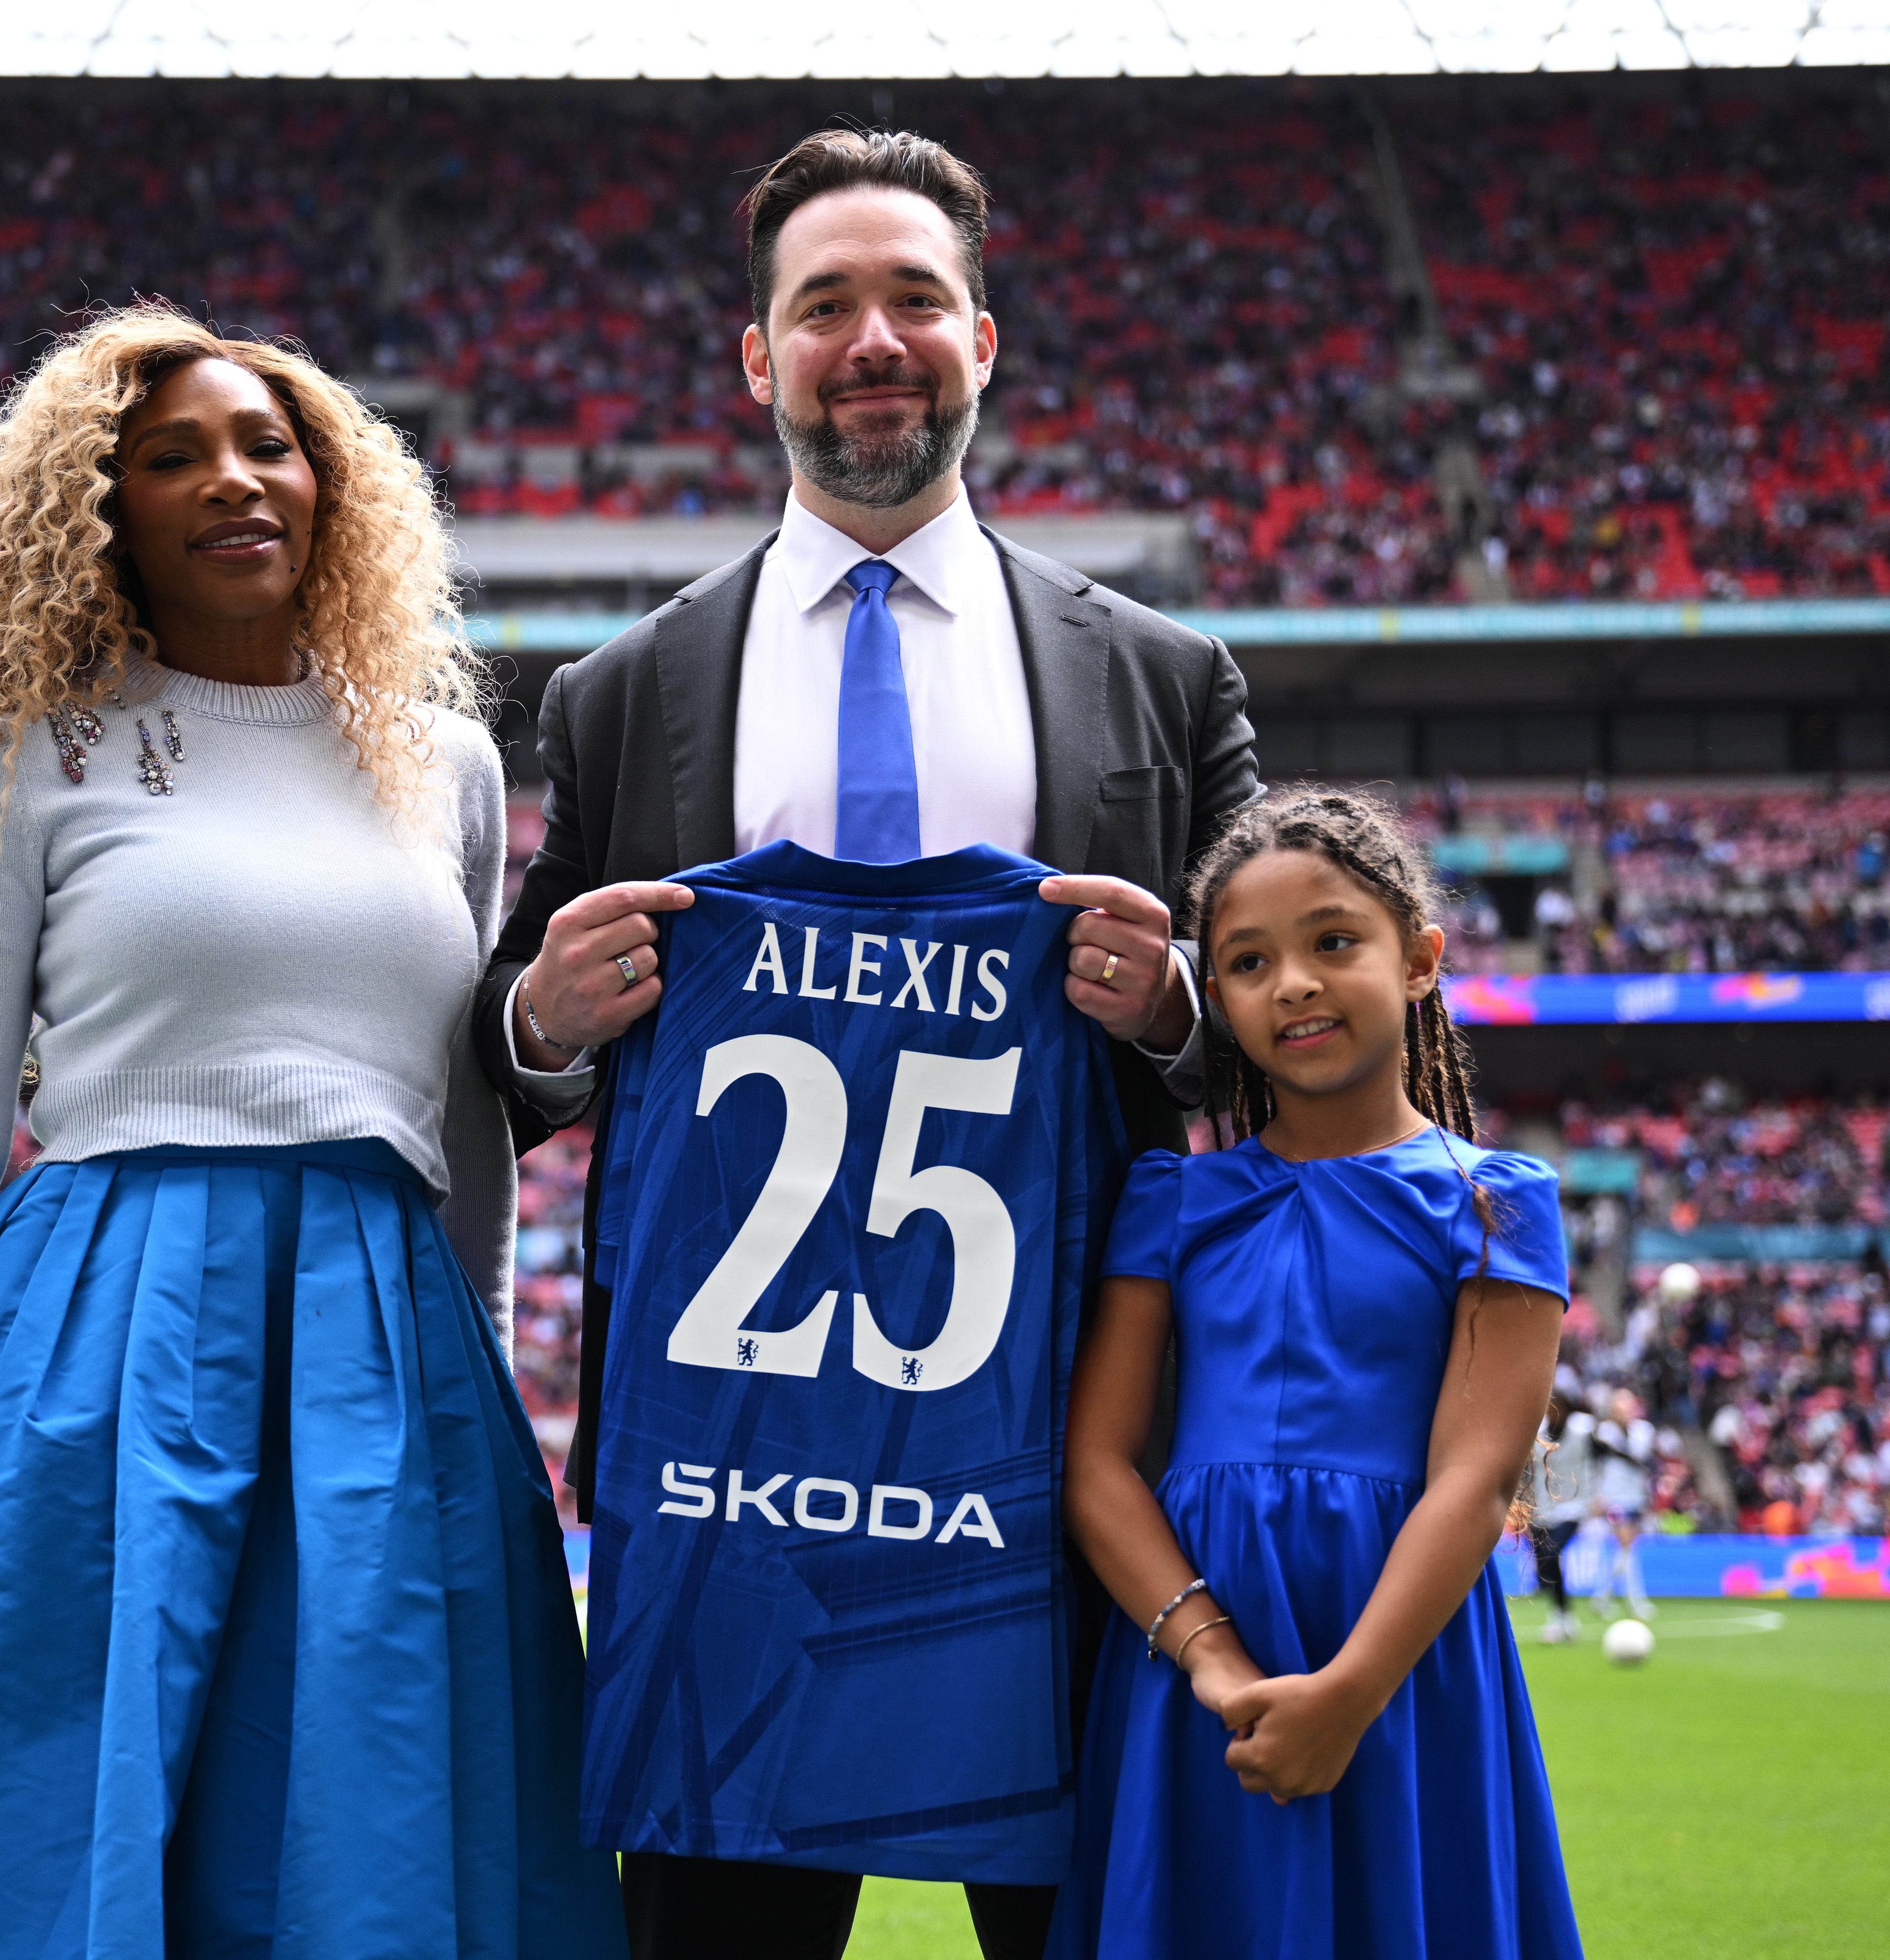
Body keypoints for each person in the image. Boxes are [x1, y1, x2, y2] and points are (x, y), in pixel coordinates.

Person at [0, 304, 624, 1959]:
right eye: (171, 457)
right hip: (97, 1334)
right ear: (100, 508)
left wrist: (483, 1381)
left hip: (387, 1347)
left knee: (366, 1815)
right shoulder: (14, 759)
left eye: (268, 444)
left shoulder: (445, 761)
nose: (234, 479)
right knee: (67, 1808)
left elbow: (459, 1115)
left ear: (331, 484)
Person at [474, 129, 1258, 1960]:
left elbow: (1289, 1037)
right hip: (735, 1465)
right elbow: (514, 1051)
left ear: (983, 337)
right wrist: (541, 1014)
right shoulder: (625, 693)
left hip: (1068, 1449)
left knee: (1090, 1931)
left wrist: (1175, 1010)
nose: (873, 339)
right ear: (760, 359)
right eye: (823, 306)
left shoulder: (1166, 675)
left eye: (915, 299)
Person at [1049, 790, 1580, 1959]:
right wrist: (1218, 1668)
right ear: (1218, 1004)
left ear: (1420, 961)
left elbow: (1476, 1480)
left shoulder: (1497, 1202)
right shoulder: (1170, 1197)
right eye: (1247, 962)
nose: (1290, 982)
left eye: (1333, 942)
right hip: (1194, 1661)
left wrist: (1348, 1690)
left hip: (1403, 1654)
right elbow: (1095, 1466)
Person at [1529, 1394, 1595, 1644]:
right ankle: (1563, 1615)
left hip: (1574, 1506)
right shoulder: (1537, 1431)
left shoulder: (1584, 1430)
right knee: (1545, 1565)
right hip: (1542, 1507)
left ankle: (1561, 1617)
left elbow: (1603, 1451)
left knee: (1552, 1551)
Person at [1589, 1389, 1657, 1620]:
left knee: (1627, 1549)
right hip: (1613, 1498)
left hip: (1636, 1497)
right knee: (1626, 1543)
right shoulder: (1605, 1432)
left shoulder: (1644, 1431)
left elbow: (1640, 1458)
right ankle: (1636, 1600)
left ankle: (1602, 1596)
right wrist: (1596, 1495)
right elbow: (1597, 1464)